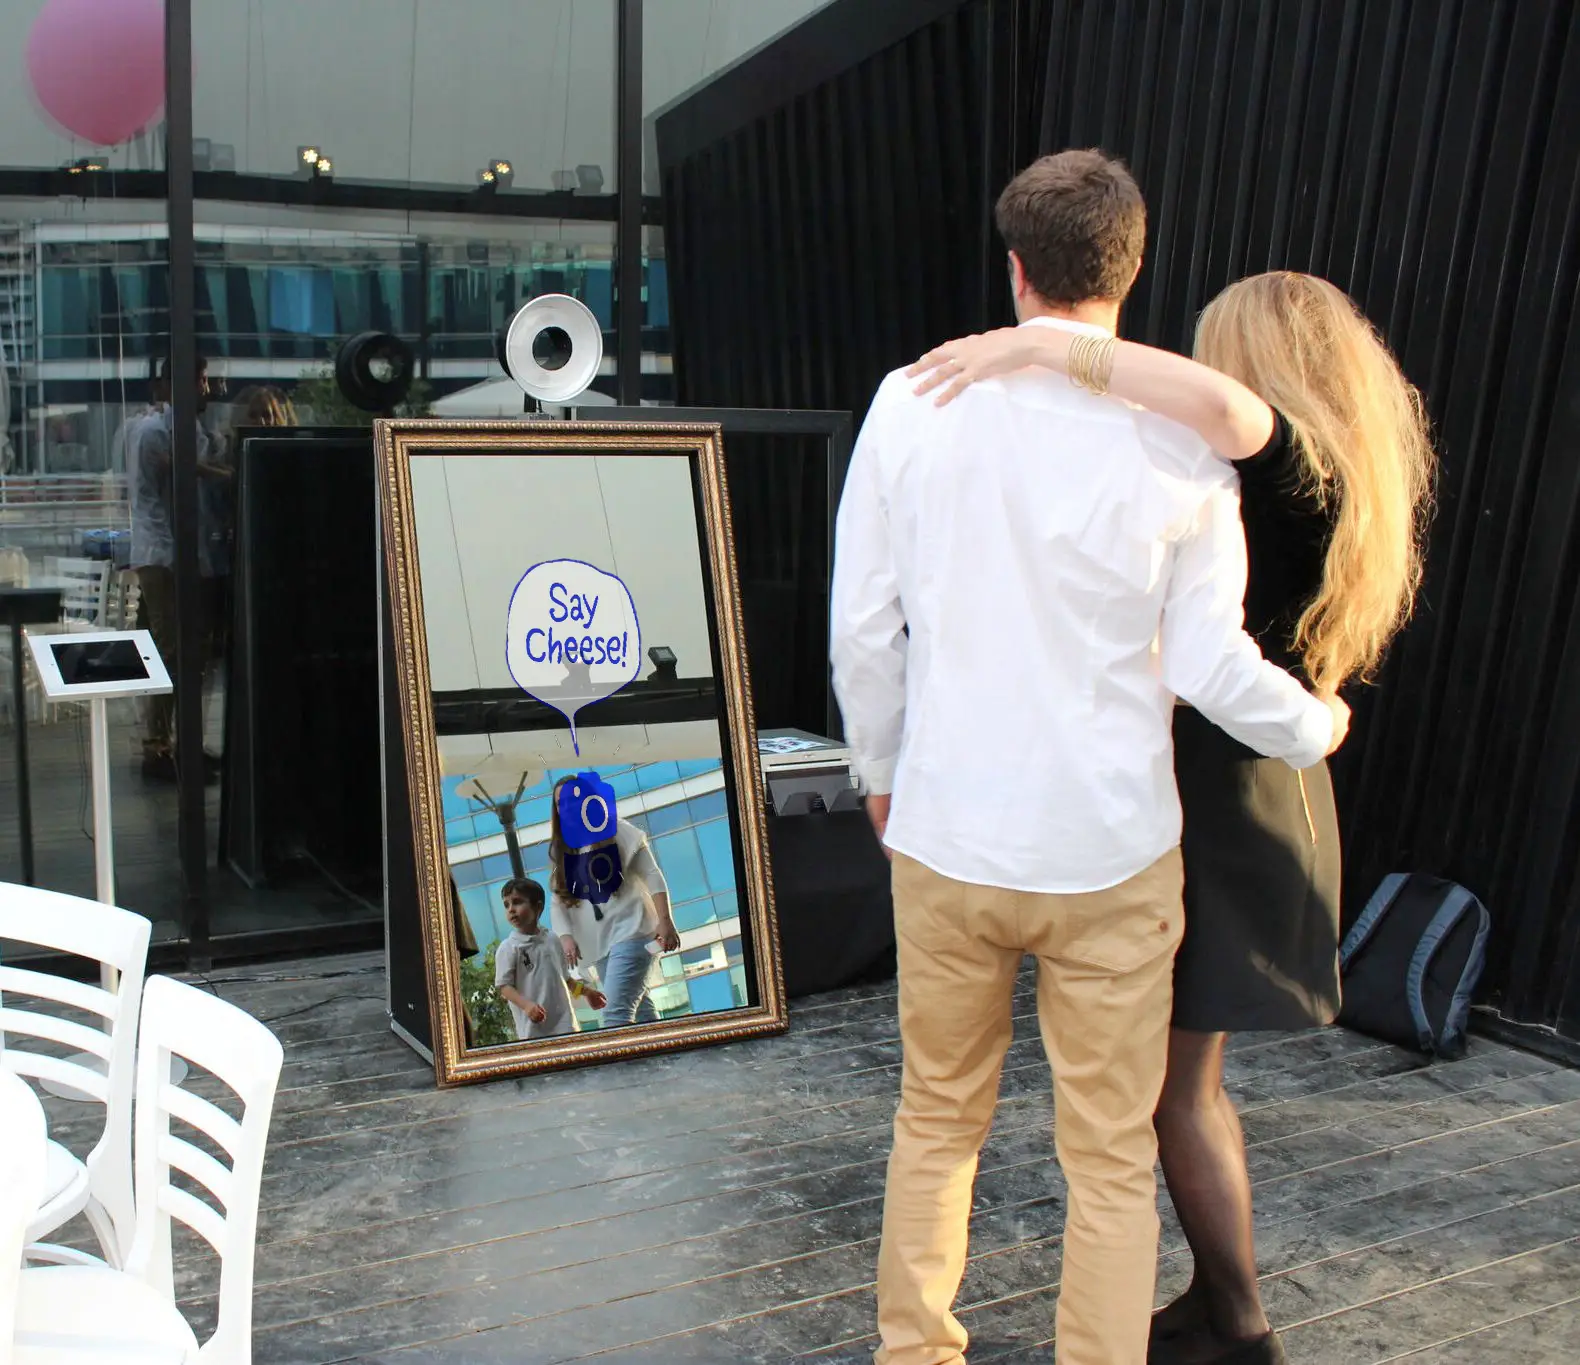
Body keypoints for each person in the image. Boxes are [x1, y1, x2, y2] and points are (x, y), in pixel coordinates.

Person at [829, 149, 1351, 1365]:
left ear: (1011, 268)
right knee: (1109, 1158)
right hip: (1113, 855)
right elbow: (1215, 670)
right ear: (1132, 266)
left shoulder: (907, 405)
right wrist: (1314, 726)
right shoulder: (1183, 448)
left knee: (935, 1122)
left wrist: (877, 772)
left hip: (947, 833)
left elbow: (865, 624)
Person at [907, 271, 1434, 1364]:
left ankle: (1239, 1325)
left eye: (1212, 353)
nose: (1197, 374)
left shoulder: (1286, 465)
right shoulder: (1331, 479)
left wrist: (1042, 349)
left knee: (1173, 1092)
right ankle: (1215, 1301)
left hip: (1225, 794)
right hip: (1254, 777)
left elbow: (1228, 417)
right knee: (1175, 1087)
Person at [126, 353, 228, 782]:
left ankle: (182, 743)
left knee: (192, 652)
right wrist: (223, 474)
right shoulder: (154, 431)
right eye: (200, 380)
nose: (206, 389)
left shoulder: (194, 432)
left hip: (187, 555)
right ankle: (158, 746)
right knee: (169, 649)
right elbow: (179, 478)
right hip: (164, 555)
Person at [548, 777, 682, 1027]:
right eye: (559, 804)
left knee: (615, 1015)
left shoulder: (616, 830)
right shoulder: (565, 850)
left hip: (633, 932)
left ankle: (622, 1068)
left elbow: (652, 875)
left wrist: (666, 921)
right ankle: (660, 1063)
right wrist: (566, 937)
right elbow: (558, 902)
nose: (565, 808)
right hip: (601, 946)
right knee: (642, 1014)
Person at [494, 877, 605, 1041]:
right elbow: (504, 987)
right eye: (507, 905)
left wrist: (587, 992)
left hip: (566, 1026)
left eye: (517, 902)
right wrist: (527, 1006)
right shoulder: (508, 948)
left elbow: (565, 980)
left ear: (538, 907)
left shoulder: (553, 939)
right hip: (534, 1032)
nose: (511, 909)